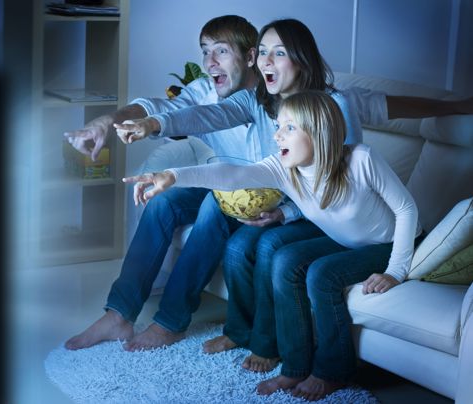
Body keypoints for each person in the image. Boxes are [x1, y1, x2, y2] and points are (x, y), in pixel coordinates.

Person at [113, 17, 471, 371]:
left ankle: (271, 346)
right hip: (300, 207)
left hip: (327, 216)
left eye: (278, 53)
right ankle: (243, 333)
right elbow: (210, 127)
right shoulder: (259, 106)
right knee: (229, 235)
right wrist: (158, 139)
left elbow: (341, 185)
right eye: (263, 52)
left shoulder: (336, 111)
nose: (265, 61)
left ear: (300, 59)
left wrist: (453, 105)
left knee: (265, 247)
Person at [123, 90, 422, 401]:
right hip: (345, 243)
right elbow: (232, 174)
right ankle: (294, 366)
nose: (277, 135)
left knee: (321, 274)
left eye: (289, 127)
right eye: (278, 126)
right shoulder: (283, 167)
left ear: (319, 130)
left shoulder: (361, 159)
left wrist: (396, 271)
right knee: (283, 260)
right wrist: (172, 175)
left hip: (390, 242)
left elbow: (407, 210)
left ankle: (333, 370)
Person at [64, 15, 268, 351]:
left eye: (221, 51)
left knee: (211, 205)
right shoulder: (207, 89)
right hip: (221, 185)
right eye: (205, 52)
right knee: (163, 202)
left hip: (260, 197)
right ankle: (119, 315)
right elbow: (160, 107)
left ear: (250, 56)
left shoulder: (271, 93)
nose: (209, 62)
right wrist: (108, 121)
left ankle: (171, 322)